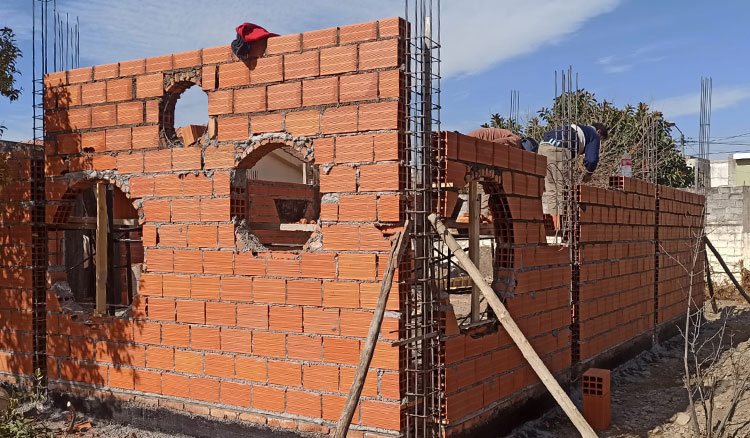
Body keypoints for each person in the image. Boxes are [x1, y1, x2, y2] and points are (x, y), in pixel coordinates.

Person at [538, 122, 609, 215]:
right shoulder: (594, 134)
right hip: (558, 149)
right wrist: (589, 173)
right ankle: (559, 224)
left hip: (543, 146)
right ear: (599, 132)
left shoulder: (577, 128)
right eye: (601, 140)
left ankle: (554, 220)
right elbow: (592, 159)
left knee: (551, 187)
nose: (599, 142)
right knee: (562, 189)